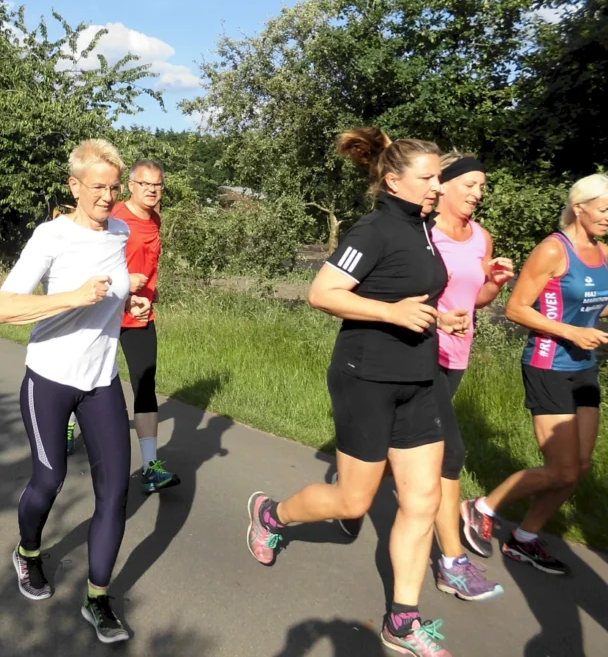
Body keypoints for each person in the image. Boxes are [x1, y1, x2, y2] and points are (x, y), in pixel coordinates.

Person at [245, 128, 470, 657]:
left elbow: (403, 290)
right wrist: (393, 313)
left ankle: (403, 620)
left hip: (418, 381)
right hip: (366, 380)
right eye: (429, 177)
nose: (439, 185)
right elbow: (322, 292)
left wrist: (441, 318)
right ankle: (272, 515)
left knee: (422, 500)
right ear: (394, 181)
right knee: (354, 499)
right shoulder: (372, 230)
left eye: (440, 176)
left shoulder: (421, 229)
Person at [0, 138, 151, 645]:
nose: (107, 197)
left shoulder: (122, 230)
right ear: (74, 186)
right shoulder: (50, 237)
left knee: (115, 494)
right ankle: (29, 553)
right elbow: (5, 309)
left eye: (113, 187)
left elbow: (115, 296)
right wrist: (72, 297)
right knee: (49, 478)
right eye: (97, 188)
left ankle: (98, 599)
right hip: (49, 378)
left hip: (101, 381)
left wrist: (134, 309)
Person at [462, 173, 608, 576]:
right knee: (560, 467)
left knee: (577, 469)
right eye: (604, 209)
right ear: (579, 208)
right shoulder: (552, 250)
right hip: (549, 366)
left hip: (584, 370)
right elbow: (517, 309)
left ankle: (525, 539)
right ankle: (481, 507)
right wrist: (572, 331)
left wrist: (593, 322)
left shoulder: (604, 253)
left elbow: (595, 304)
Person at [425, 153, 514, 601]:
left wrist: (495, 281)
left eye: (482, 187)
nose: (478, 194)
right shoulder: (423, 233)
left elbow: (476, 299)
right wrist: (435, 320)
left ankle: (351, 496)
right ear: (442, 185)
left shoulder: (481, 236)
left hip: (457, 353)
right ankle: (452, 561)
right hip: (420, 350)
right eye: (471, 185)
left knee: (413, 448)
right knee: (449, 452)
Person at [110, 159, 180, 494]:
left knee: (145, 382)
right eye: (145, 184)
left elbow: (149, 266)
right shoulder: (115, 219)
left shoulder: (155, 220)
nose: (152, 190)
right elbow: (98, 267)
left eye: (158, 185)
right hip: (105, 313)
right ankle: (68, 420)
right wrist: (124, 294)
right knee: (90, 379)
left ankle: (151, 467)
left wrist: (150, 293)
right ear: (130, 186)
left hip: (140, 315)